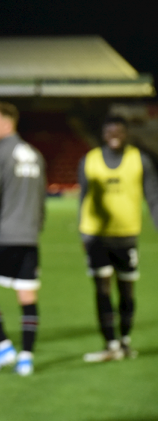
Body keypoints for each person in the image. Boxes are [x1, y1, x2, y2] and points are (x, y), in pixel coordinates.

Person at [0, 101, 46, 377]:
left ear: (7, 123)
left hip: (1, 238)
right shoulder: (35, 154)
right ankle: (26, 357)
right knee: (27, 296)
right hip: (28, 238)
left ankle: (4, 347)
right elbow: (41, 202)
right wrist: (35, 231)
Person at [78, 115, 158, 362]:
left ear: (126, 134)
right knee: (102, 289)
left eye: (119, 131)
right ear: (103, 134)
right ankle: (110, 343)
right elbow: (84, 197)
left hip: (126, 236)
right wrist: (84, 232)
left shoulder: (140, 160)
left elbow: (153, 197)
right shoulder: (89, 161)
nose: (115, 135)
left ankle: (124, 341)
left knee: (126, 291)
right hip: (97, 236)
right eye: (110, 131)